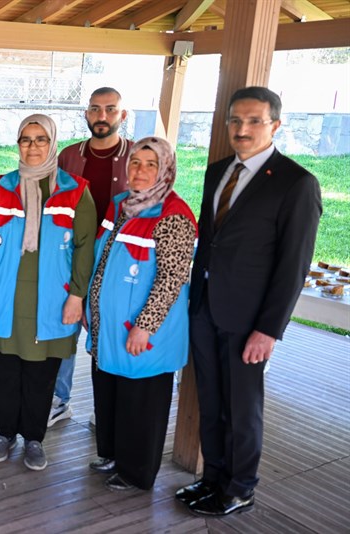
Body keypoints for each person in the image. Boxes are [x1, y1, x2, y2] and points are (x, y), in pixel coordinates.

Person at [177, 87, 322, 516]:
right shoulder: (217, 171)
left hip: (249, 319)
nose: (242, 129)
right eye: (235, 121)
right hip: (205, 307)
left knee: (243, 408)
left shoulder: (297, 183)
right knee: (210, 400)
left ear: (275, 125)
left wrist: (268, 329)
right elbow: (211, 243)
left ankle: (240, 488)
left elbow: (293, 265)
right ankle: (212, 478)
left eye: (254, 121)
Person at [0, 114, 96, 470]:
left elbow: (85, 248)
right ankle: (5, 433)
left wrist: (76, 295)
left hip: (53, 300)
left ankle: (34, 439)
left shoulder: (76, 190)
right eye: (26, 139)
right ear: (18, 144)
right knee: (5, 373)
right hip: (4, 297)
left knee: (41, 377)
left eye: (41, 139)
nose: (33, 146)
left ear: (53, 143)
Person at [85, 136, 197, 491]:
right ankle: (113, 454)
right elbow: (101, 258)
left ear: (165, 170)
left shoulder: (174, 215)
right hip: (108, 324)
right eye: (135, 162)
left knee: (141, 402)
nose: (141, 171)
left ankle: (137, 473)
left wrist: (145, 328)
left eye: (151, 164)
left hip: (144, 331)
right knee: (110, 391)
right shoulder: (120, 204)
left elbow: (172, 279)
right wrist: (91, 305)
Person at [50, 87, 133, 428]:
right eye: (95, 109)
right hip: (72, 253)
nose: (102, 116)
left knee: (110, 328)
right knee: (65, 324)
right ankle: (59, 399)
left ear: (122, 115)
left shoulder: (136, 156)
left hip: (118, 257)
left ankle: (107, 406)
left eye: (110, 109)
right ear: (86, 113)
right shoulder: (68, 156)